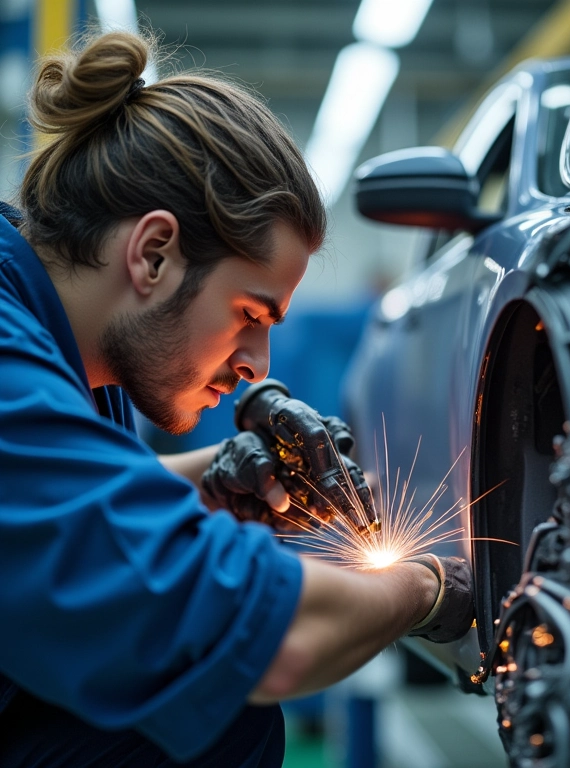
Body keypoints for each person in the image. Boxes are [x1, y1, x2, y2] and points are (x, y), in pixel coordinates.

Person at [0, 29, 474, 767]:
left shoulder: (69, 353)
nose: (256, 366)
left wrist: (215, 474)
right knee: (220, 711)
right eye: (251, 316)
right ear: (153, 254)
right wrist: (432, 588)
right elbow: (272, 641)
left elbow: (47, 513)